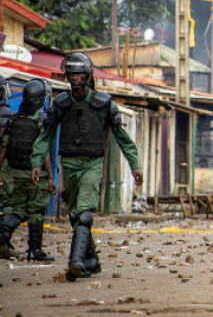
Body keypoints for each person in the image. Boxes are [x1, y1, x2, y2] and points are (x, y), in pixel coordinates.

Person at [30, 53, 143, 281]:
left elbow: (122, 137)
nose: (77, 78)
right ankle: (91, 260)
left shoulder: (103, 103)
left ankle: (76, 262)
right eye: (72, 74)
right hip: (69, 163)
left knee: (84, 214)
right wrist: (36, 163)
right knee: (74, 215)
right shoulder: (61, 103)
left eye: (80, 73)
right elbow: (46, 135)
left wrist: (135, 165)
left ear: (88, 75)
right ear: (68, 76)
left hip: (92, 162)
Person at [0, 79, 56, 261]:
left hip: (15, 173)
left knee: (18, 209)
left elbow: (4, 146)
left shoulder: (13, 119)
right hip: (35, 174)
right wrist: (51, 177)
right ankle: (35, 250)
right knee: (36, 211)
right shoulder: (41, 121)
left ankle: (3, 236)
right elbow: (44, 151)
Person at [0, 75, 17, 258]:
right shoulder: (5, 114)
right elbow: (5, 145)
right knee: (10, 202)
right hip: (3, 163)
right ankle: (3, 240)